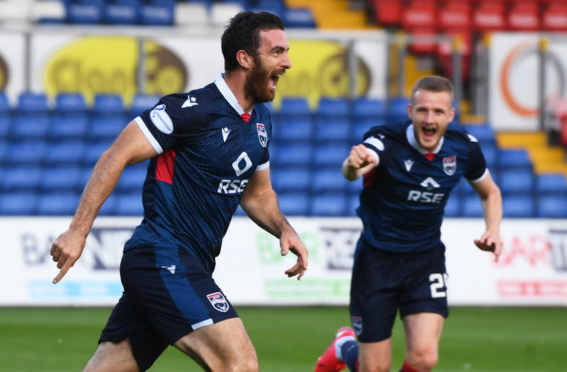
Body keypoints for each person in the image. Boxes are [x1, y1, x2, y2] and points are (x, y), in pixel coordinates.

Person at [50, 11, 308, 372]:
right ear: (245, 58)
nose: (288, 62)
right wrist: (78, 231)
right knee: (239, 364)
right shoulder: (191, 111)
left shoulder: (261, 120)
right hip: (161, 255)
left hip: (188, 264)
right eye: (278, 52)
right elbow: (117, 154)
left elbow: (258, 194)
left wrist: (284, 228)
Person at [315, 76, 503, 372]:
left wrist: (493, 229)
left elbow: (490, 192)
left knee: (425, 358)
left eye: (438, 112)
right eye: (422, 110)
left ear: (450, 115)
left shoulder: (464, 148)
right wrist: (352, 165)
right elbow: (356, 167)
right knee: (374, 369)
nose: (429, 119)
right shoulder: (385, 141)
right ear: (410, 111)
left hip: (425, 260)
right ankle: (344, 346)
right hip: (377, 261)